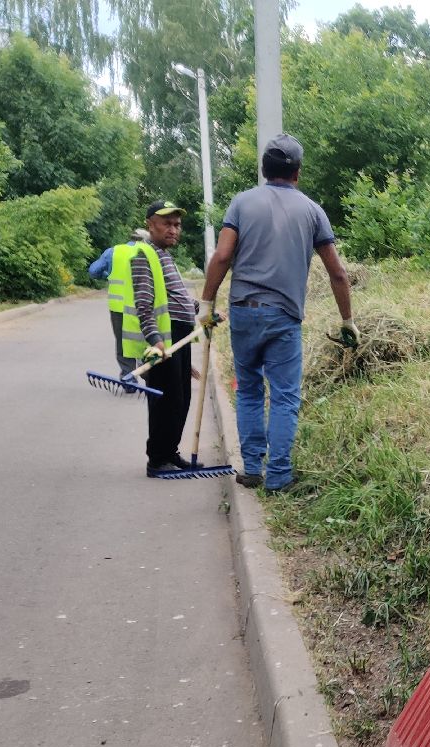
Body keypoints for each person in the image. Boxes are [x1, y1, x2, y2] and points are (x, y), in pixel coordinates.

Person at [199, 133, 357, 493]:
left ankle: (252, 468)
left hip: (243, 311)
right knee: (285, 394)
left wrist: (206, 304)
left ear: (263, 170)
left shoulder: (241, 204)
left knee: (250, 390)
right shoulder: (313, 211)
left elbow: (222, 256)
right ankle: (280, 475)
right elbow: (337, 273)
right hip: (284, 316)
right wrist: (347, 320)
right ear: (297, 173)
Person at [110, 199, 204, 477]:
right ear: (150, 224)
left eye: (177, 225)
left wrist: (194, 307)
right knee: (166, 401)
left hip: (180, 334)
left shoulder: (163, 255)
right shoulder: (144, 255)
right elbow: (144, 302)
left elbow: (172, 296)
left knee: (181, 398)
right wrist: (155, 339)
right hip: (165, 338)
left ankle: (170, 452)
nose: (173, 230)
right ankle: (157, 459)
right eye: (167, 224)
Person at [92, 228, 151, 377]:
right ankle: (147, 373)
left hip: (118, 308)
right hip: (144, 306)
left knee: (123, 342)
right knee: (147, 338)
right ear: (145, 240)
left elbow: (93, 271)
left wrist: (107, 275)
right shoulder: (150, 252)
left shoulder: (114, 251)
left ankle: (128, 377)